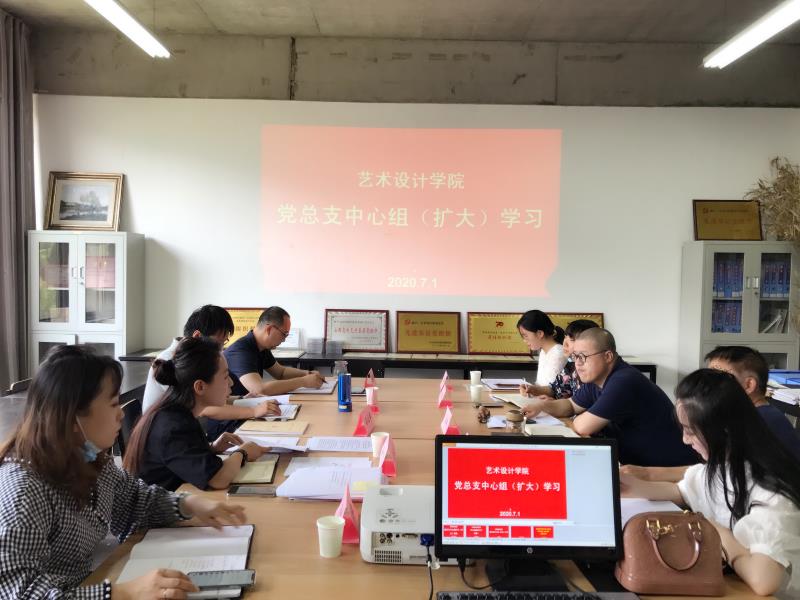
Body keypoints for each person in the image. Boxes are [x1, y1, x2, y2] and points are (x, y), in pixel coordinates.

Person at [0, 345, 247, 599]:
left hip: (87, 583)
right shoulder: (23, 491)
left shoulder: (89, 457)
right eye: (113, 404)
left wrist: (189, 504)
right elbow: (18, 593)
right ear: (73, 417)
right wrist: (122, 593)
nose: (121, 414)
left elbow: (135, 500)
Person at [620, 369, 800, 599]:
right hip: (729, 582)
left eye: (690, 431)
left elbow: (764, 581)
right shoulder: (725, 465)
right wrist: (617, 482)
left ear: (723, 432)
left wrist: (717, 532)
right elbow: (680, 491)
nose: (685, 440)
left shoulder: (772, 494)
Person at [622, 345, 800, 483]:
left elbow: (718, 475)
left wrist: (649, 474)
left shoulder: (759, 422)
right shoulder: (751, 415)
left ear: (749, 385)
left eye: (720, 378)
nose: (710, 386)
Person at [522, 328, 698, 467]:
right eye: (575, 357)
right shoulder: (596, 378)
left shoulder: (624, 381)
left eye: (583, 357)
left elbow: (582, 427)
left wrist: (576, 417)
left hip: (668, 471)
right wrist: (540, 407)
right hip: (636, 465)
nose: (577, 364)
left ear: (607, 356)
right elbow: (570, 405)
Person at [124, 337, 270, 491]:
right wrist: (243, 452)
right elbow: (217, 479)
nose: (231, 383)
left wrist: (211, 448)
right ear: (200, 386)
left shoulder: (178, 412)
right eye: (225, 377)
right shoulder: (174, 426)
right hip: (159, 505)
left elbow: (182, 457)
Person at [142, 305, 280, 423]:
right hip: (167, 434)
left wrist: (241, 399)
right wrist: (254, 411)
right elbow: (204, 408)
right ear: (197, 336)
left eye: (223, 344)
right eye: (218, 344)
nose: (220, 350)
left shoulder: (192, 356)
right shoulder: (173, 359)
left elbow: (204, 398)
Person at [224, 306, 325, 396]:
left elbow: (281, 373)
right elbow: (259, 389)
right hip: (236, 409)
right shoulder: (240, 351)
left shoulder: (262, 347)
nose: (284, 340)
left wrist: (307, 373)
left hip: (250, 404)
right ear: (269, 329)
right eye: (284, 334)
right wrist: (303, 381)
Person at [520, 318, 599, 399]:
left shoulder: (593, 373)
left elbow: (579, 404)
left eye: (571, 339)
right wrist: (533, 390)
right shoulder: (570, 365)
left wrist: (555, 403)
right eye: (565, 337)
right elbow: (554, 389)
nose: (565, 343)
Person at [516, 310, 567, 388]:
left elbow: (550, 390)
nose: (524, 340)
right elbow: (540, 384)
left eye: (526, 336)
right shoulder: (543, 351)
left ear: (539, 334)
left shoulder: (558, 353)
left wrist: (533, 390)